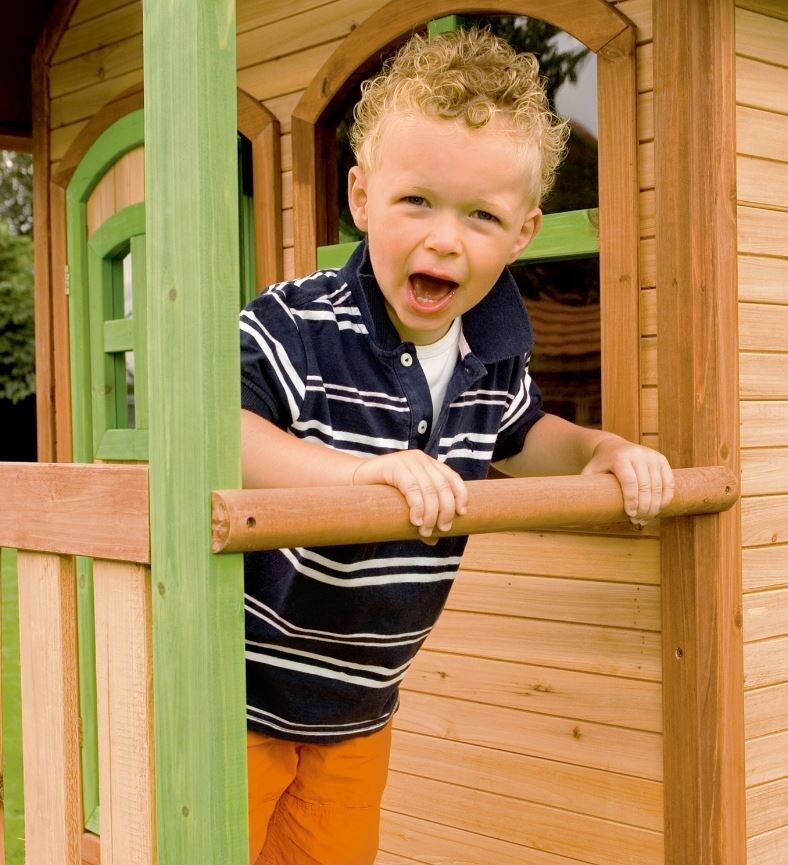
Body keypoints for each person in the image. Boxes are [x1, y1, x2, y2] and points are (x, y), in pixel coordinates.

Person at [239, 26, 674, 865]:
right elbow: (227, 432)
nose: (445, 239)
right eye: (417, 201)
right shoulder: (295, 323)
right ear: (361, 197)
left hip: (359, 706)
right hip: (242, 690)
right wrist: (359, 476)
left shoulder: (494, 351)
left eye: (481, 215)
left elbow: (526, 435)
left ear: (523, 233)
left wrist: (602, 451)